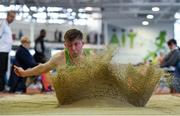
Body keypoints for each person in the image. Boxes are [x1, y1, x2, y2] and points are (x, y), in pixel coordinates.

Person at [14, 29, 86, 78]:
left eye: (76, 44)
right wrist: (24, 73)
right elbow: (43, 68)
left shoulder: (91, 57)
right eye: (70, 45)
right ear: (65, 45)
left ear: (82, 43)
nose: (73, 48)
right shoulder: (59, 57)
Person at [0, 10, 16, 92]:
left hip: (6, 52)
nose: (12, 19)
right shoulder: (3, 24)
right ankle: (1, 88)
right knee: (1, 70)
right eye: (11, 16)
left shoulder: (8, 27)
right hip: (1, 51)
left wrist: (12, 38)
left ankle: (2, 87)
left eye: (14, 17)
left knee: (4, 70)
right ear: (7, 16)